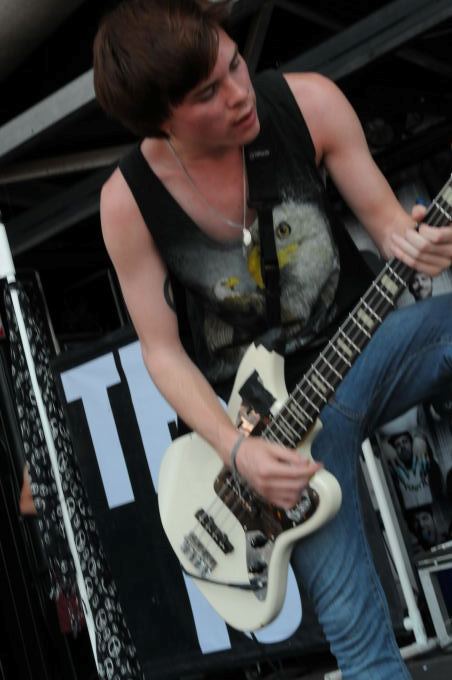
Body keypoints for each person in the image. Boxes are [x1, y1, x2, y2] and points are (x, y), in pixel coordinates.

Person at [92, 1, 452, 677]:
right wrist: (237, 452)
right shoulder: (128, 202)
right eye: (208, 93)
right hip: (269, 428)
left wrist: (425, 244)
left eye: (235, 64)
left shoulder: (309, 104)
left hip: (363, 351)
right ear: (160, 120)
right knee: (358, 639)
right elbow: (161, 352)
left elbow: (391, 230)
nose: (239, 94)